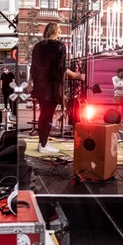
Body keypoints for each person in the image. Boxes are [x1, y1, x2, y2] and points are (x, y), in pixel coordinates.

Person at [30, 22, 84, 154]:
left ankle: (42, 143)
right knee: (48, 115)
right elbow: (62, 69)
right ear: (55, 31)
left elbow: (33, 68)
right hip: (52, 86)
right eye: (59, 29)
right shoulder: (59, 46)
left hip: (40, 85)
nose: (60, 31)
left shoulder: (38, 46)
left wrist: (31, 83)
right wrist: (77, 75)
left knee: (44, 114)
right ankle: (43, 144)